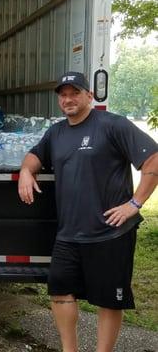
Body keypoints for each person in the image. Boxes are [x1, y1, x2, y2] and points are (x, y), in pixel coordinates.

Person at [18, 71, 158, 352]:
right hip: (69, 233)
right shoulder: (56, 132)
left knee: (109, 300)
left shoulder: (112, 125)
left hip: (110, 232)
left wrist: (134, 203)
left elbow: (153, 158)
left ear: (89, 96)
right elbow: (36, 154)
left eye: (75, 93)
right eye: (63, 94)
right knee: (59, 292)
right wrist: (25, 171)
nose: (68, 99)